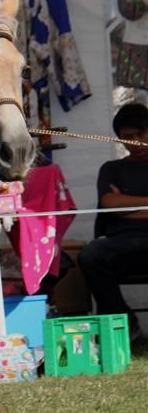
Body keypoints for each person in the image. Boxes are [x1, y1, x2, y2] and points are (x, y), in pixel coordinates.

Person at [78, 102, 148, 343]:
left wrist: (126, 208)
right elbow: (109, 203)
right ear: (120, 140)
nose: (136, 141)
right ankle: (125, 321)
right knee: (90, 254)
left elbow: (118, 206)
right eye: (128, 137)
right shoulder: (111, 169)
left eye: (141, 134)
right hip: (121, 245)